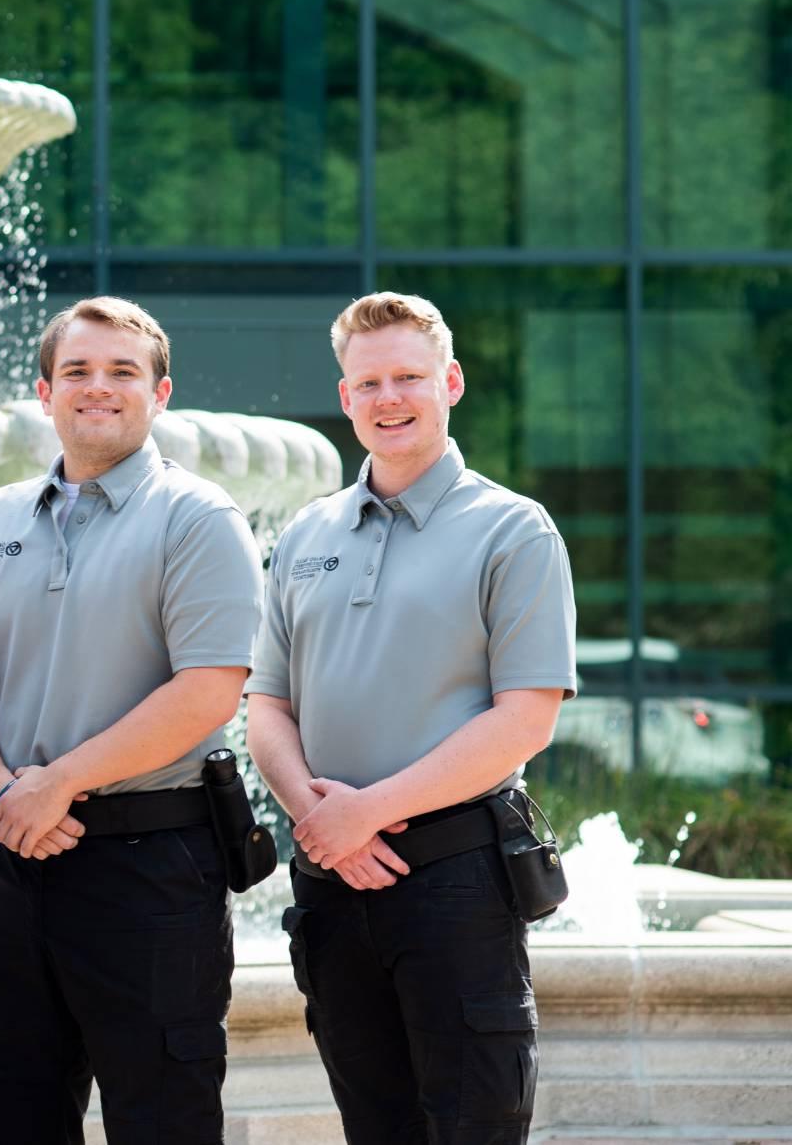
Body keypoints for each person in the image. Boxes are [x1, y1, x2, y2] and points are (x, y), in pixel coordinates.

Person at [0, 296, 264, 1143]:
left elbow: (208, 691)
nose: (98, 388)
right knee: (7, 1117)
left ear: (161, 392)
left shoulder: (198, 520)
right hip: (12, 864)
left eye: (122, 372)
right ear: (44, 392)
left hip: (151, 871)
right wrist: (10, 795)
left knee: (163, 1119)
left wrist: (59, 785)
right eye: (77, 371)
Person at [245, 291, 575, 1144]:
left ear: (451, 382)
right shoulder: (306, 534)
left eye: (408, 378)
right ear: (346, 396)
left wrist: (368, 811)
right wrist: (323, 820)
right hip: (328, 878)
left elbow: (526, 719)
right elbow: (268, 706)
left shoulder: (513, 530)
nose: (389, 398)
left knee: (473, 1124)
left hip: (455, 877)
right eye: (369, 382)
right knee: (374, 1127)